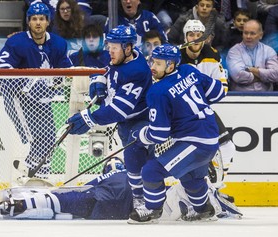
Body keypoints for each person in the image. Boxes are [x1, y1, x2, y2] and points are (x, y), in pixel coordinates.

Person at [128, 44, 226, 224]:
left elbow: (158, 133)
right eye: (153, 62)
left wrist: (141, 136)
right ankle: (204, 209)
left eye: (158, 63)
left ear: (171, 66)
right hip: (210, 137)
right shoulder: (190, 70)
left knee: (151, 171)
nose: (153, 67)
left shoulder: (157, 91)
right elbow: (219, 92)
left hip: (195, 142)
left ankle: (152, 210)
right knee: (191, 177)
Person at [65, 25, 153, 208]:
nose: (110, 51)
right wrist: (100, 78)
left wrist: (89, 118)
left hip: (140, 122)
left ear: (128, 48)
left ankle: (143, 202)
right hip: (125, 124)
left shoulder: (137, 71)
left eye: (115, 47)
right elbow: (109, 69)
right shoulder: (120, 58)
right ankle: (139, 197)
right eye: (109, 46)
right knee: (136, 164)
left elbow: (119, 110)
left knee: (136, 158)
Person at [0, 157, 242, 220]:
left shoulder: (122, 172)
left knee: (79, 202)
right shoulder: (194, 189)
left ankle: (23, 202)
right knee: (80, 205)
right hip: (131, 203)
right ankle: (24, 203)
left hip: (125, 196)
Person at [0, 2, 73, 179]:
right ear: (28, 22)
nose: (38, 23)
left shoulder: (59, 44)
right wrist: (28, 83)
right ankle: (29, 174)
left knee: (50, 138)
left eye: (42, 19)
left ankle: (38, 176)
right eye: (34, 19)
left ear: (48, 22)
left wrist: (58, 81)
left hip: (42, 99)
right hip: (17, 97)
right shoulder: (16, 42)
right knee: (37, 137)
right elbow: (1, 68)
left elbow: (67, 71)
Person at [179, 20, 236, 201]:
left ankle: (215, 189)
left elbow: (222, 87)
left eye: (198, 35)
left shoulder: (212, 55)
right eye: (191, 35)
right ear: (185, 36)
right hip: (178, 115)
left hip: (202, 110)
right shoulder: (175, 57)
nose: (195, 39)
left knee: (227, 147)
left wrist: (201, 98)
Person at [226, 19, 278, 91]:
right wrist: (262, 76)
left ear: (261, 35)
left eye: (252, 33)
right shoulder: (234, 51)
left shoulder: (269, 51)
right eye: (245, 33)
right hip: (239, 97)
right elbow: (238, 75)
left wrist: (254, 70)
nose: (248, 36)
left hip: (266, 97)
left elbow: (275, 75)